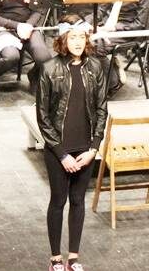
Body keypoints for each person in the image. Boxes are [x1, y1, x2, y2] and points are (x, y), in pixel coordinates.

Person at [36, 15, 107, 271]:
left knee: (78, 201)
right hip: (59, 150)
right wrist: (61, 154)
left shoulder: (96, 67)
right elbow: (42, 116)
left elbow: (101, 109)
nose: (77, 42)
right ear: (63, 39)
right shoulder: (49, 69)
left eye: (81, 37)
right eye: (73, 37)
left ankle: (73, 258)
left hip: (85, 148)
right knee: (58, 201)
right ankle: (55, 259)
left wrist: (93, 149)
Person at [89, 0, 149, 93]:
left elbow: (139, 24)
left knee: (96, 47)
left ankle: (113, 82)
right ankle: (97, 78)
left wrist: (113, 28)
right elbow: (101, 9)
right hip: (108, 26)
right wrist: (88, 23)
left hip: (127, 31)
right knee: (80, 38)